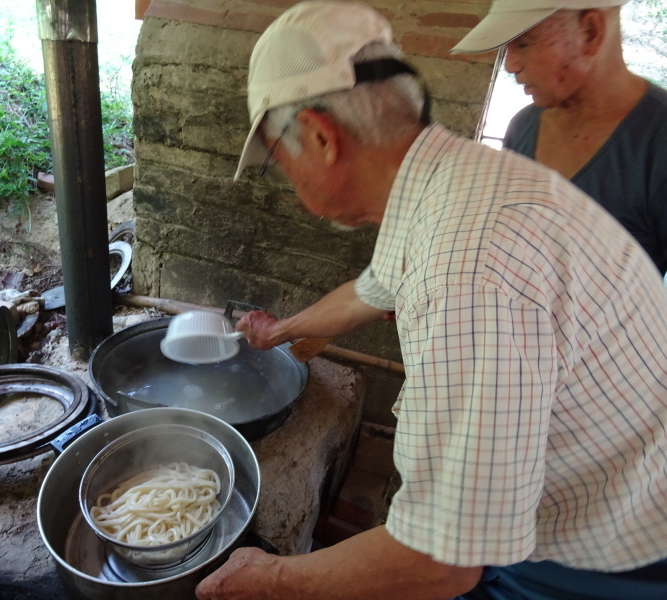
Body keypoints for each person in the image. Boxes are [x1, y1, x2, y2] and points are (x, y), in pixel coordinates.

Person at [195, 2, 667, 599]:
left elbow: (441, 563)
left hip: (600, 557)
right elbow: (373, 288)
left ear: (320, 135)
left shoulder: (468, 271)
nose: (287, 180)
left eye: (279, 160)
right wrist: (285, 330)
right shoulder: (453, 179)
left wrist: (271, 579)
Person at [451, 0, 667, 276]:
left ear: (591, 32)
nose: (510, 65)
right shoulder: (524, 125)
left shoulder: (657, 142)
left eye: (524, 43)